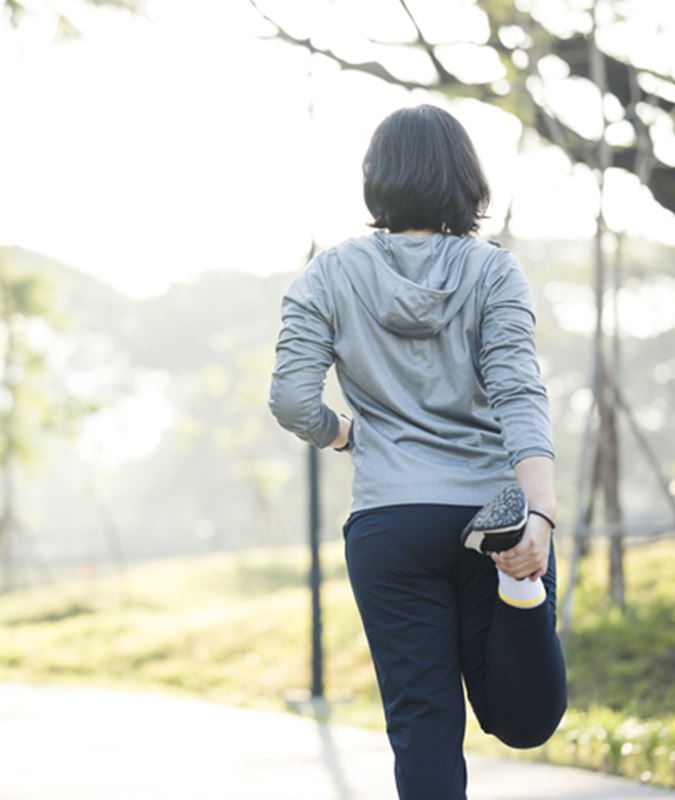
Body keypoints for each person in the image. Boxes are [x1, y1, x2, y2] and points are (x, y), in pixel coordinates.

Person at [267, 103, 568, 799]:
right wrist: (541, 514)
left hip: (390, 523)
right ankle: (518, 583)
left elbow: (290, 400)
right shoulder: (494, 273)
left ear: (375, 179)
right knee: (523, 720)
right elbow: (519, 391)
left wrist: (343, 435)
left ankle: (517, 581)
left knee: (423, 725)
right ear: (467, 180)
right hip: (489, 517)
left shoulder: (327, 275)